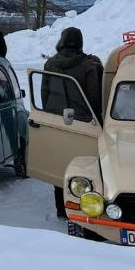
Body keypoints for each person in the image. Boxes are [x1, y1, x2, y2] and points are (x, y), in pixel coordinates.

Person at [43, 26, 103, 216]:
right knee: (83, 166)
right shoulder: (88, 65)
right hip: (82, 121)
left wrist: (50, 113)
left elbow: (45, 93)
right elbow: (94, 96)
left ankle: (60, 208)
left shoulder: (51, 64)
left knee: (58, 163)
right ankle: (80, 207)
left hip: (57, 119)